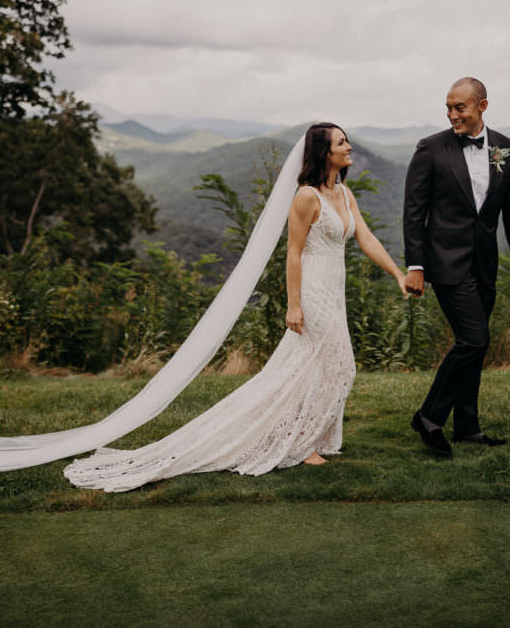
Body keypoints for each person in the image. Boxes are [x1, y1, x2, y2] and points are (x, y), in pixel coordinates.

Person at [62, 123, 406, 490]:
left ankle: (310, 437)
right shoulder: (306, 197)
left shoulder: (344, 193)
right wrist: (293, 305)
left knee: (324, 366)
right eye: (341, 142)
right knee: (332, 365)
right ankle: (302, 443)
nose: (349, 146)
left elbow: (366, 238)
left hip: (334, 291)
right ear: (324, 152)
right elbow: (292, 253)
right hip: (313, 291)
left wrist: (398, 275)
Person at [403, 77, 510, 455]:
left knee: (474, 346)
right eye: (449, 107)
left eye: (460, 107)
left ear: (482, 106)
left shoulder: (508, 149)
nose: (452, 114)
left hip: (485, 263)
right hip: (445, 262)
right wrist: (416, 266)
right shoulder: (430, 148)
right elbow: (413, 212)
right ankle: (429, 416)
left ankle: (468, 427)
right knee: (475, 339)